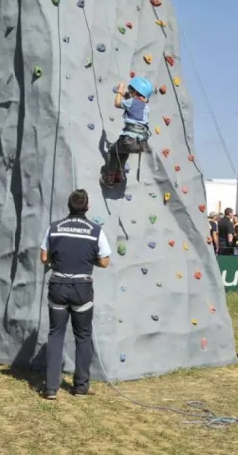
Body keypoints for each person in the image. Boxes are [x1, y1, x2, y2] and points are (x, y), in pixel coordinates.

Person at [39, 188, 111, 400]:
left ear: (69, 206)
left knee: (55, 335)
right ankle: (80, 386)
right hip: (82, 288)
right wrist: (91, 261)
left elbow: (44, 257)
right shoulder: (95, 230)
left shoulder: (55, 228)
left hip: (58, 285)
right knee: (83, 335)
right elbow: (105, 261)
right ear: (87, 207)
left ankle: (51, 388)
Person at [100, 77, 152, 187]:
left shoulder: (131, 102)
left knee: (113, 151)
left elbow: (117, 103)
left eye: (130, 90)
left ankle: (110, 179)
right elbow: (135, 105)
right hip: (140, 143)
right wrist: (127, 95)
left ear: (135, 92)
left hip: (128, 140)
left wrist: (119, 91)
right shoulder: (146, 107)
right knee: (124, 152)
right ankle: (119, 175)